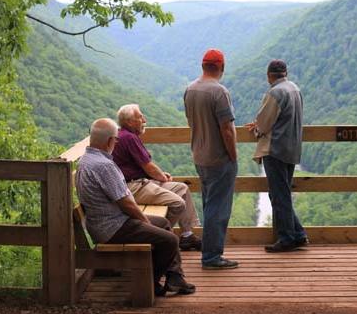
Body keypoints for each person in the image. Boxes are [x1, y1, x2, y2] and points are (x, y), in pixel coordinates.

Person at [76, 118, 195, 296]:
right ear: (109, 141)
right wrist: (144, 221)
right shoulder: (104, 165)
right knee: (170, 240)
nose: (116, 143)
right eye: (116, 140)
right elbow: (126, 202)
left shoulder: (87, 160)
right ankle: (151, 282)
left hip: (102, 223)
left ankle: (175, 278)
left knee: (163, 223)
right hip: (114, 227)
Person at [112, 104, 202, 251]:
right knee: (177, 203)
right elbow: (147, 166)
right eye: (140, 117)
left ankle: (187, 235)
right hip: (133, 187)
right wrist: (162, 177)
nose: (144, 120)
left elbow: (142, 166)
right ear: (129, 122)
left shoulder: (124, 135)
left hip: (141, 183)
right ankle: (161, 238)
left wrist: (160, 176)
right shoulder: (129, 138)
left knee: (182, 188)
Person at [184, 48, 239, 269]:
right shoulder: (219, 92)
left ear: (203, 66)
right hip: (219, 158)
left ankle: (209, 252)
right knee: (219, 208)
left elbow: (191, 122)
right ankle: (211, 257)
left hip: (199, 156)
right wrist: (233, 156)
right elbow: (227, 128)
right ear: (221, 67)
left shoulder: (190, 89)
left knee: (209, 205)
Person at [245, 59, 308, 252]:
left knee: (279, 195)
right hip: (292, 148)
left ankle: (287, 238)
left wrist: (256, 129)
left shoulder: (275, 92)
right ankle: (298, 234)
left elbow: (264, 123)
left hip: (276, 149)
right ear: (285, 73)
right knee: (281, 193)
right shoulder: (294, 89)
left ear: (269, 75)